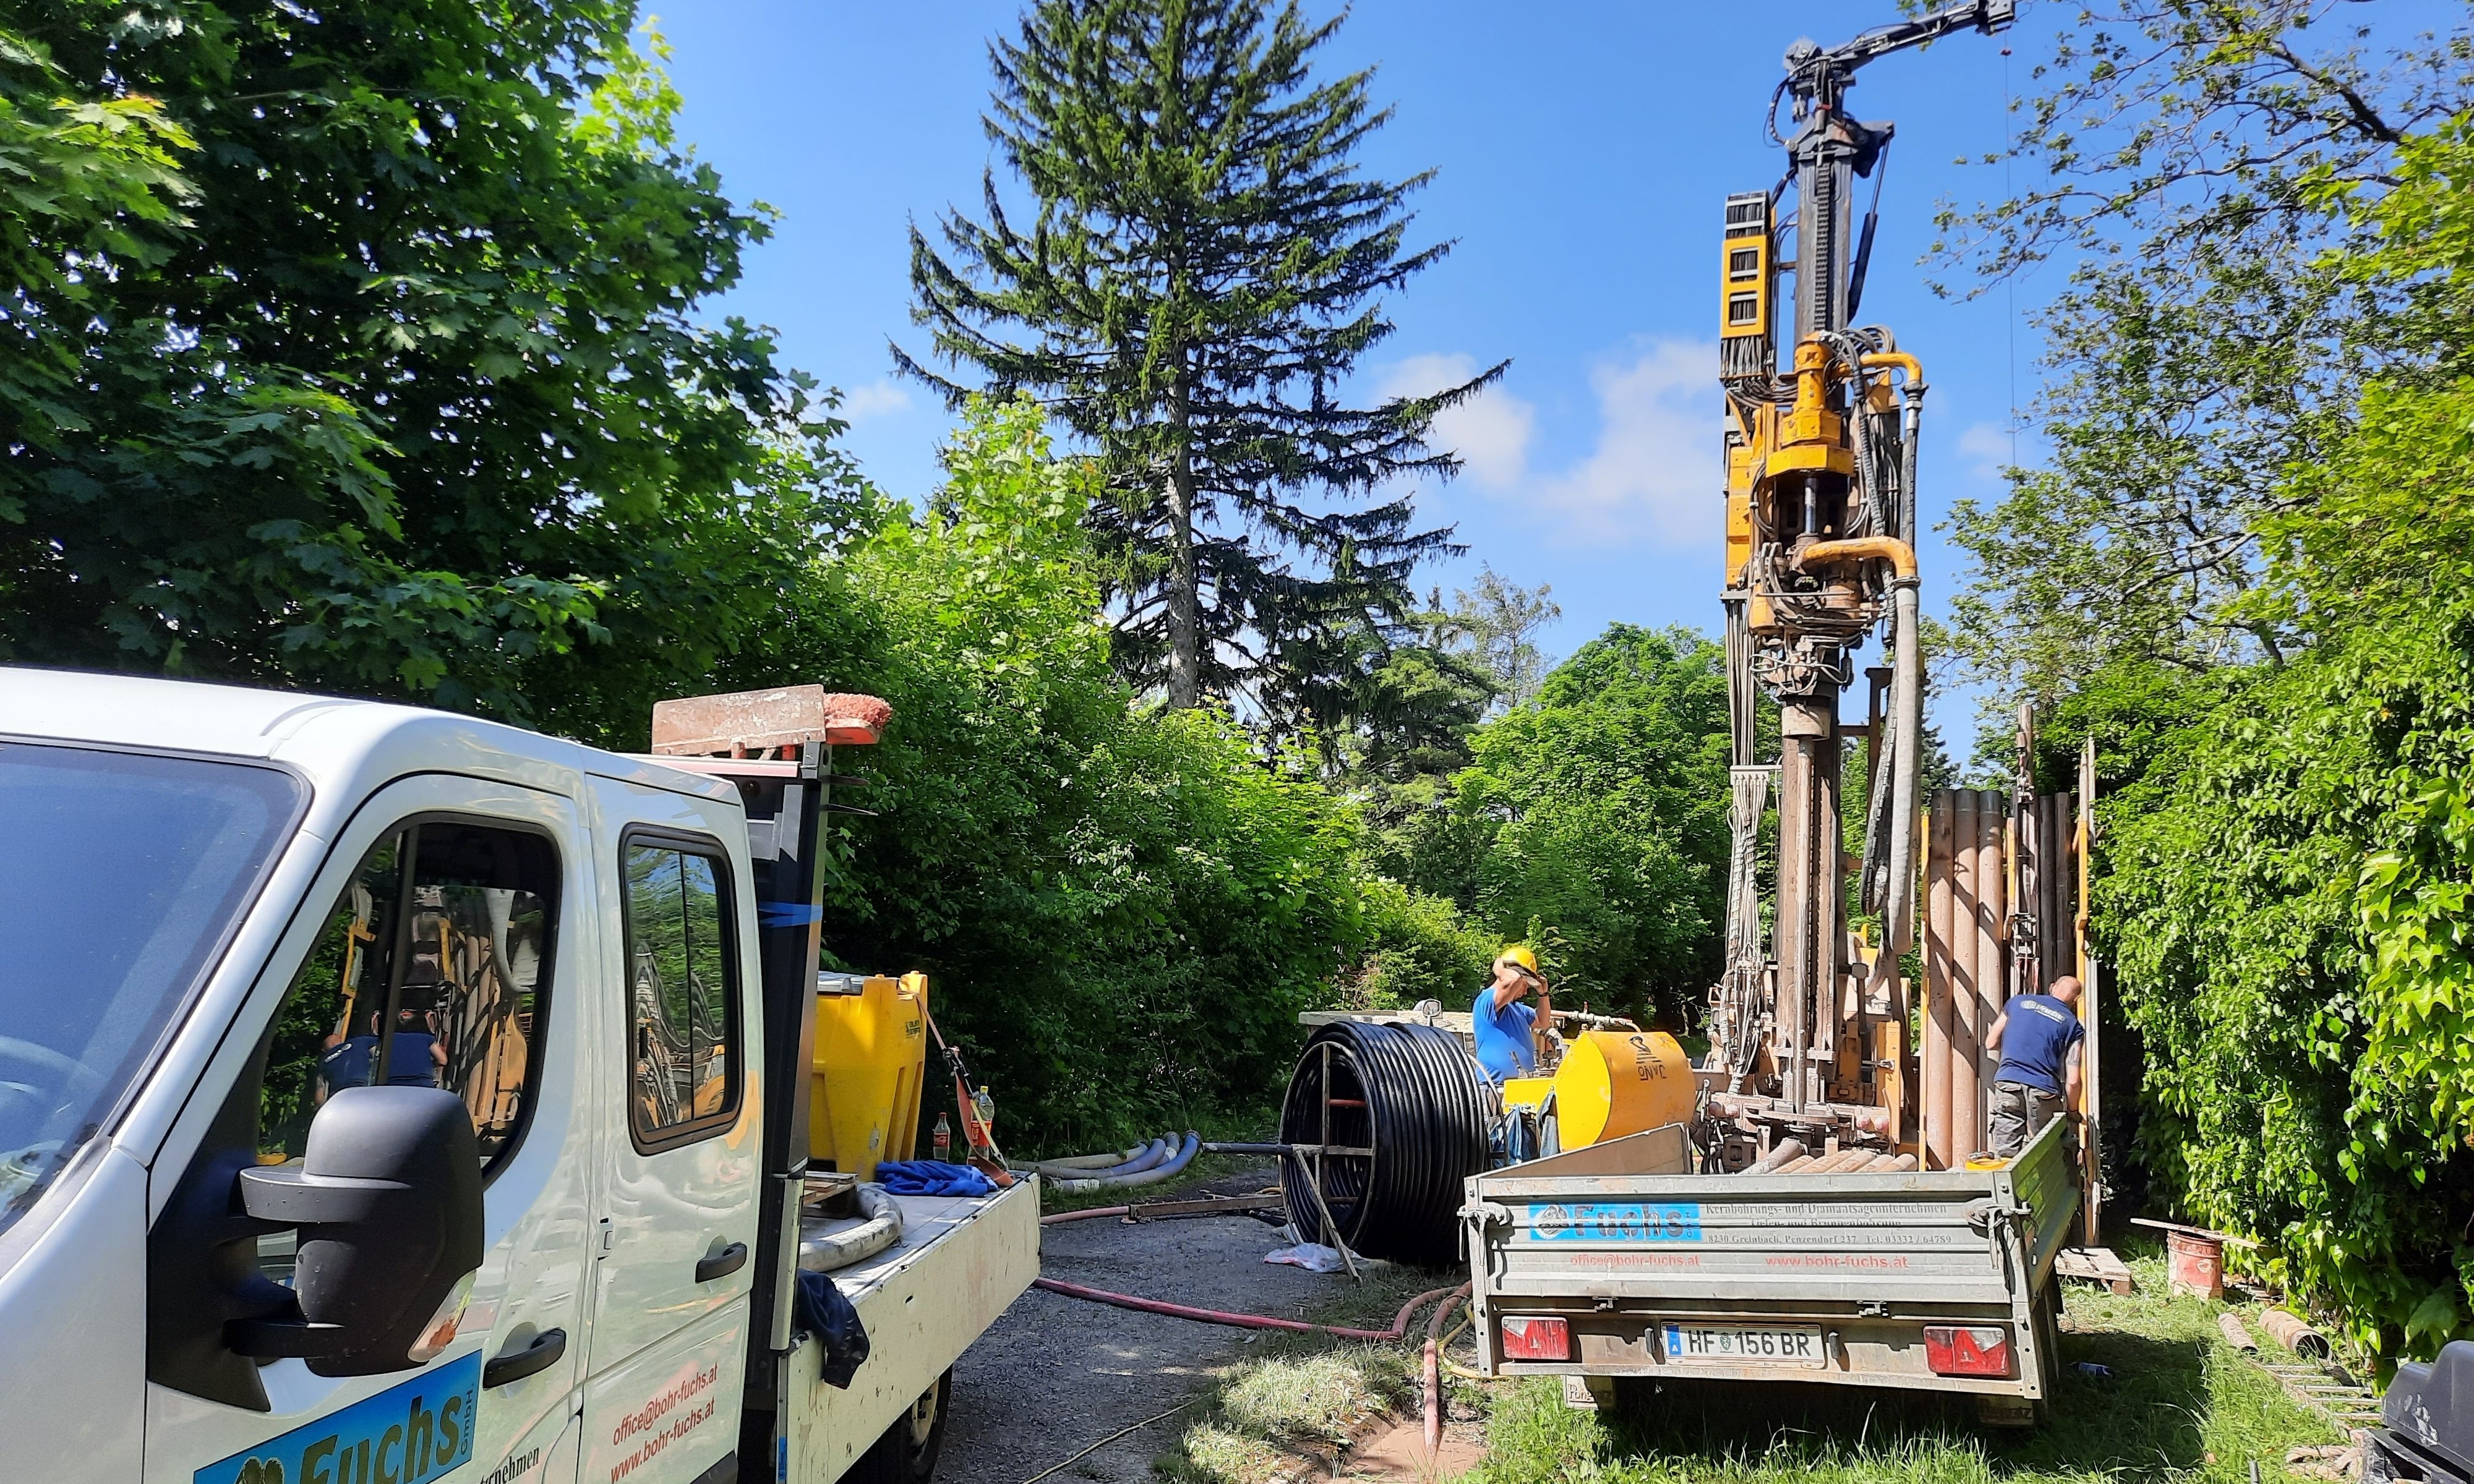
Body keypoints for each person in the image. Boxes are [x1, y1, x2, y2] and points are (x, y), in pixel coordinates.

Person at [1984, 975, 2085, 1159]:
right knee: (2049, 1152)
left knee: (2007, 1154)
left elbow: (1991, 1043)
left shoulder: (2017, 1002)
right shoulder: (2072, 1025)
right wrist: (2072, 1111)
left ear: (2052, 987)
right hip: (2044, 1091)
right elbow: (2073, 1081)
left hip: (2008, 1083)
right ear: (2075, 1001)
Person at [1471, 945, 1553, 1084]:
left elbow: (1543, 1022)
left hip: (1519, 1088)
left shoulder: (1517, 1009)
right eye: (1525, 985)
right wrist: (1499, 968)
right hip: (1494, 1088)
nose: (1526, 992)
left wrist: (1543, 994)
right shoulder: (1486, 1002)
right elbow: (1514, 979)